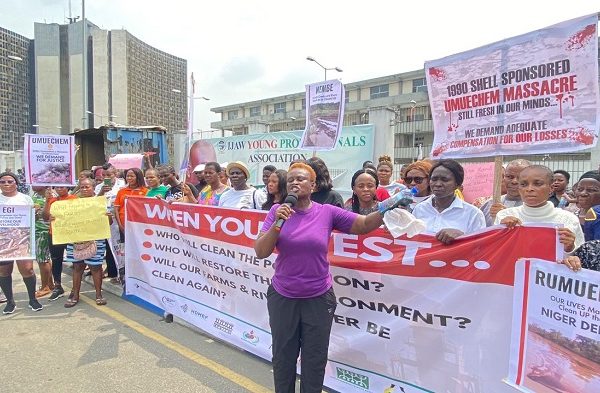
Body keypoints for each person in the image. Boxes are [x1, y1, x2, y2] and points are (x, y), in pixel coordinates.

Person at [254, 162, 397, 393]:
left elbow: (362, 225)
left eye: (300, 179)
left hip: (318, 298)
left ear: (312, 185)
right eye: (290, 180)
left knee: (314, 358)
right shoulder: (276, 212)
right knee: (283, 356)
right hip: (283, 296)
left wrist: (386, 208)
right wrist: (278, 225)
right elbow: (261, 251)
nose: (294, 183)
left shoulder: (326, 212)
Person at [495, 165, 584, 254]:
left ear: (551, 188)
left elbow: (580, 259)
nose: (529, 189)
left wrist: (570, 248)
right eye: (524, 184)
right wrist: (501, 233)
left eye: (537, 184)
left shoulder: (568, 219)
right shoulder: (504, 216)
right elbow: (494, 254)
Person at [0, 172, 44, 314]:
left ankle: (32, 299)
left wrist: (36, 213)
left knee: (27, 269)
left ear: (16, 183)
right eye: (3, 182)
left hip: (22, 240)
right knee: (4, 271)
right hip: (3, 242)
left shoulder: (25, 199)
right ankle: (10, 301)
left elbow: (33, 220)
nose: (6, 184)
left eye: (10, 181)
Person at [412, 160, 486, 244]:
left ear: (457, 184)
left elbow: (480, 247)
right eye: (434, 179)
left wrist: (462, 236)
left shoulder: (473, 214)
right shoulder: (419, 209)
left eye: (445, 180)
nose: (438, 184)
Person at [62, 178, 108, 308]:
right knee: (77, 266)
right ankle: (75, 294)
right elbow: (66, 219)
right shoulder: (73, 203)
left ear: (94, 188)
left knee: (95, 267)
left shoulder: (101, 202)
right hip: (77, 238)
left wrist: (108, 217)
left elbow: (108, 223)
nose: (84, 189)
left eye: (87, 187)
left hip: (96, 238)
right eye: (82, 187)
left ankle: (99, 294)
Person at [43, 185, 78, 301]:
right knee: (56, 260)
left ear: (67, 188)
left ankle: (75, 289)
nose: (59, 189)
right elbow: (45, 217)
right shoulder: (52, 200)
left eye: (62, 187)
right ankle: (58, 287)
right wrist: (47, 201)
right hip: (55, 234)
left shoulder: (74, 198)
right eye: (57, 187)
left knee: (76, 261)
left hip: (71, 234)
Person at [480, 159, 531, 226]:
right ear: (504, 178)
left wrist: (504, 214)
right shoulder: (489, 204)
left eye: (520, 177)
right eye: (509, 177)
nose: (514, 181)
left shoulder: (536, 207)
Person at [31, 186, 53, 297]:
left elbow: (46, 215)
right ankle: (50, 283)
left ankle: (45, 287)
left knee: (42, 260)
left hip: (43, 231)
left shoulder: (50, 196)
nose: (32, 184)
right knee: (45, 259)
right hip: (37, 231)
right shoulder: (36, 195)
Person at [114, 168, 148, 238]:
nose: (129, 178)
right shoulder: (121, 191)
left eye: (132, 176)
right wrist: (120, 225)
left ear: (138, 177)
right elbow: (116, 209)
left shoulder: (146, 191)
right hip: (123, 225)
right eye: (127, 176)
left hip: (140, 226)